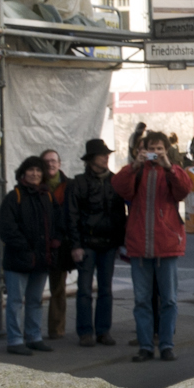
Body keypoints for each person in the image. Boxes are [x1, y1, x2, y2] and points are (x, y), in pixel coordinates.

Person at [113, 123, 190, 361]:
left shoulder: (173, 170)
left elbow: (184, 191)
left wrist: (169, 167)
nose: (155, 153)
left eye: (159, 149)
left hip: (167, 246)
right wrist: (133, 165)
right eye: (151, 149)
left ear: (166, 150)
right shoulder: (136, 171)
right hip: (139, 246)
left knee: (169, 300)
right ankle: (145, 346)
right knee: (142, 301)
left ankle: (166, 345)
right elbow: (119, 187)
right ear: (142, 150)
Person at [0, 155, 60, 355]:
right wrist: (26, 247)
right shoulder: (13, 197)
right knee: (15, 302)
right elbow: (6, 229)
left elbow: (56, 222)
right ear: (23, 173)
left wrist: (53, 243)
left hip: (41, 259)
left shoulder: (47, 196)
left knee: (35, 301)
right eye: (31, 170)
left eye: (38, 170)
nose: (35, 174)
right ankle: (15, 340)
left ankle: (34, 337)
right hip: (18, 259)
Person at [67, 137, 125, 346]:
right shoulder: (78, 183)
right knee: (84, 290)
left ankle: (103, 331)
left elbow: (120, 215)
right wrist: (76, 245)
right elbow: (72, 216)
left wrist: (120, 241)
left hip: (109, 243)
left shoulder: (115, 181)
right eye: (102, 155)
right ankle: (85, 332)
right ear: (91, 159)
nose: (106, 158)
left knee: (105, 290)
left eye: (107, 154)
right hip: (87, 243)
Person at [38, 148, 71, 342]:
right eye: (46, 161)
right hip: (39, 246)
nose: (50, 164)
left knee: (58, 289)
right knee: (34, 291)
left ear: (59, 164)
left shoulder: (69, 186)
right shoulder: (35, 186)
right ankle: (32, 331)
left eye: (53, 161)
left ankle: (56, 329)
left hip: (60, 245)